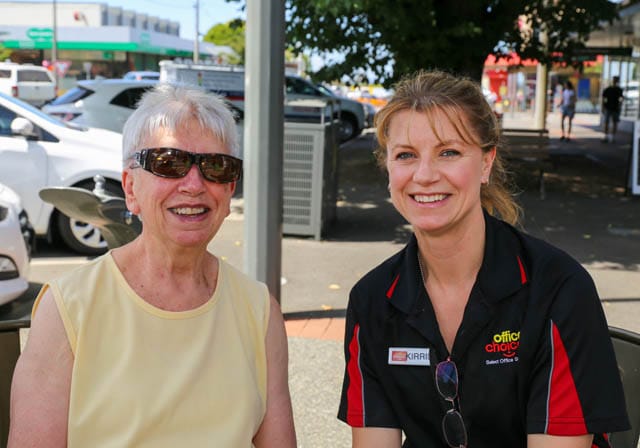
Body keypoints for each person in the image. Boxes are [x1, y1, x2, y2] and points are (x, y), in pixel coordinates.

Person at [337, 70, 629, 448]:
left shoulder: (558, 289)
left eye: (449, 152)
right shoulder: (372, 300)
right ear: (389, 169)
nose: (424, 175)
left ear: (486, 163)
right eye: (406, 155)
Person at [8, 84, 297, 447]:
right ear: (130, 188)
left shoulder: (259, 312)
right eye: (168, 163)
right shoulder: (68, 308)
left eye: (216, 166)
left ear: (229, 190)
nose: (194, 184)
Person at [602, 76, 624, 143]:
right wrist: (603, 107)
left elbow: (621, 98)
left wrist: (620, 105)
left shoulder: (619, 90)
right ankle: (606, 136)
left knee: (614, 123)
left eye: (616, 80)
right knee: (606, 122)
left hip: (615, 108)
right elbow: (604, 98)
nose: (615, 81)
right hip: (608, 108)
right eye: (614, 80)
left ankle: (612, 137)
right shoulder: (608, 89)